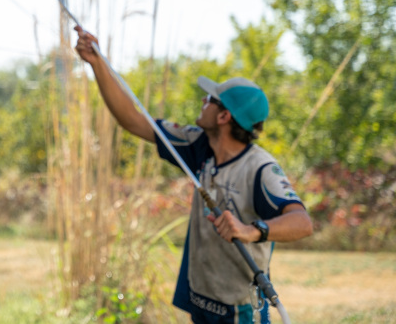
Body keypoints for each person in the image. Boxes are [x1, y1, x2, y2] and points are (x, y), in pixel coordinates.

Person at [74, 26, 312, 324]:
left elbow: (302, 223)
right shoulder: (197, 143)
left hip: (239, 308)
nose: (203, 101)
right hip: (201, 298)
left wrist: (252, 231)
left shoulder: (260, 168)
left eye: (210, 99)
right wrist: (97, 63)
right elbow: (133, 120)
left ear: (224, 116)